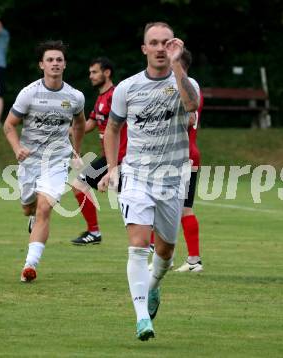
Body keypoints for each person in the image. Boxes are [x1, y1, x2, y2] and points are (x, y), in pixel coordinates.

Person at [98, 22, 200, 340]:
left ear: (174, 46)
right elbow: (113, 128)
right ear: (144, 49)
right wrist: (113, 168)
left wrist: (177, 66)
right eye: (153, 43)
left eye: (166, 43)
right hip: (137, 176)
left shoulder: (186, 83)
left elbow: (192, 105)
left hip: (172, 179)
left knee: (166, 252)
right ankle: (142, 318)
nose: (159, 48)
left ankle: (153, 287)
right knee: (138, 245)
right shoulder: (127, 88)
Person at [3, 40, 85, 282]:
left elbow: (79, 124)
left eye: (59, 59)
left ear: (65, 64)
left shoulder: (74, 96)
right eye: (50, 60)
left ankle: (30, 265)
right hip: (30, 162)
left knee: (45, 208)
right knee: (28, 208)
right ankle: (32, 218)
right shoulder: (29, 94)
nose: (55, 63)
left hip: (56, 161)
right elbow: (9, 125)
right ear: (42, 65)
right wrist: (17, 148)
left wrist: (75, 150)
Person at [70, 57, 127, 245]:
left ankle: (151, 242)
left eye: (94, 72)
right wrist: (61, 128)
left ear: (107, 73)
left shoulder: (115, 95)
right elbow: (87, 126)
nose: (91, 76)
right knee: (79, 185)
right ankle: (94, 232)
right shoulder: (102, 97)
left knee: (133, 199)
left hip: (121, 157)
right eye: (90, 73)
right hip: (108, 158)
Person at [174, 48, 204, 272]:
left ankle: (170, 257)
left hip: (180, 155)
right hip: (188, 153)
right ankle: (193, 260)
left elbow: (189, 117)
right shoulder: (191, 83)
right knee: (182, 207)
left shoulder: (186, 84)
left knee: (178, 208)